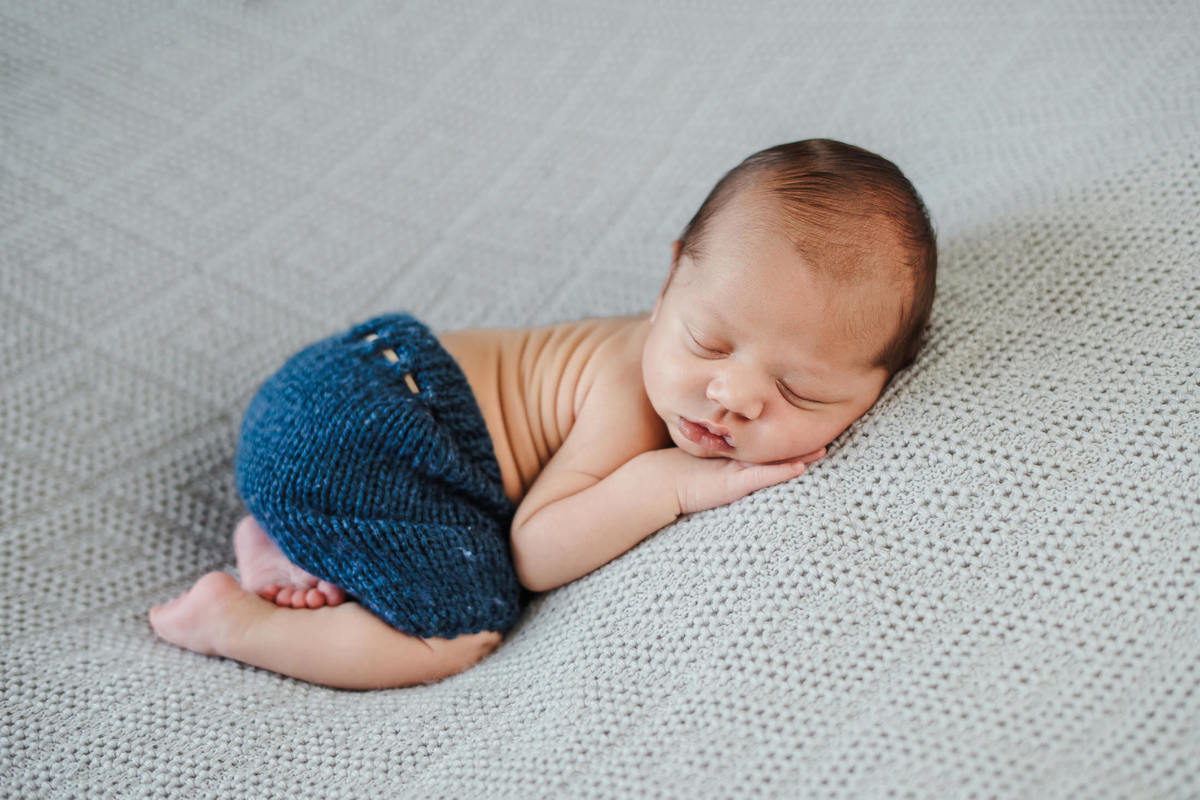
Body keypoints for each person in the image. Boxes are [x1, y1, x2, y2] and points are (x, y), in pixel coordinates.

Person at [148, 138, 937, 689]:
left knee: (410, 537)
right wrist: (666, 485)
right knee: (460, 627)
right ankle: (237, 624)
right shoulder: (629, 386)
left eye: (800, 392)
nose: (731, 397)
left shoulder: (688, 362)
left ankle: (289, 542)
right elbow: (535, 549)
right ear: (667, 283)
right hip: (379, 424)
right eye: (709, 341)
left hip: (333, 399)